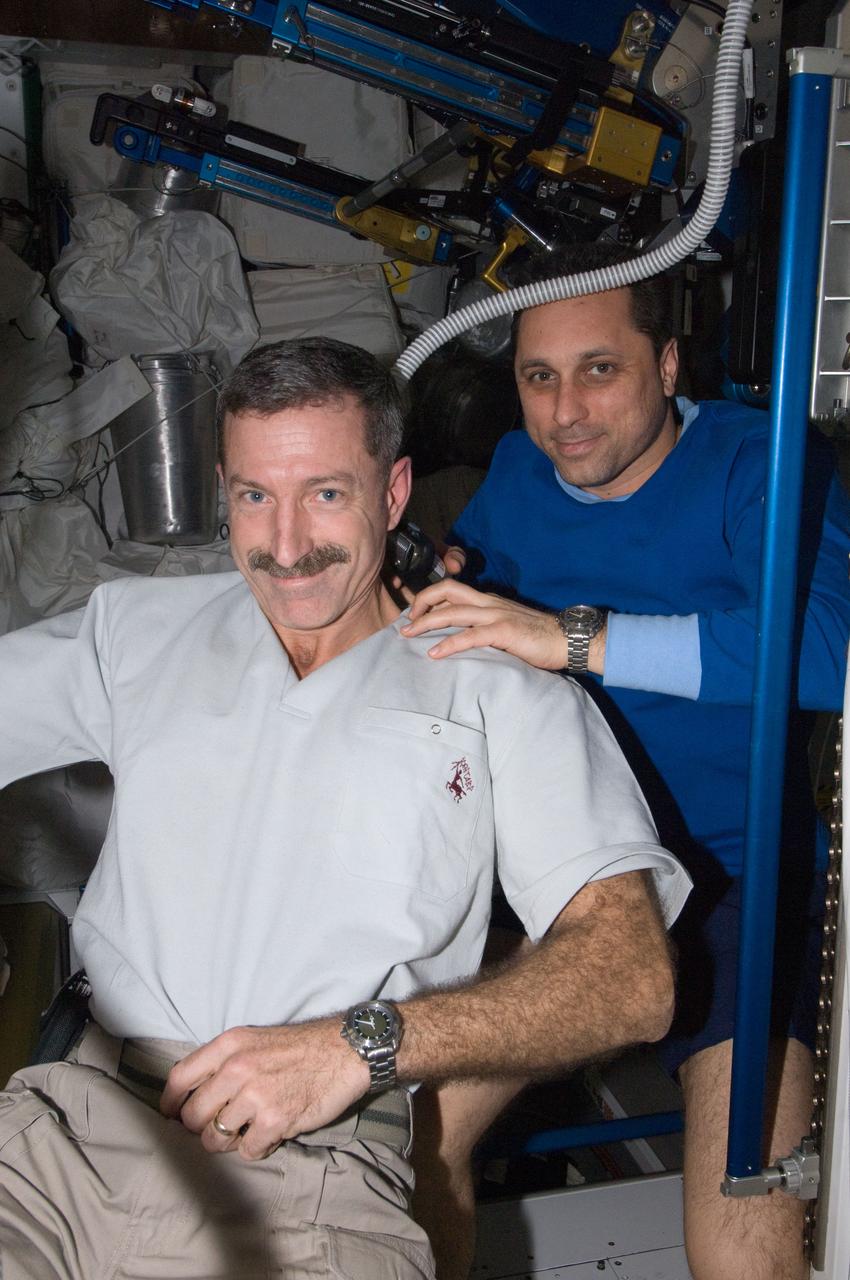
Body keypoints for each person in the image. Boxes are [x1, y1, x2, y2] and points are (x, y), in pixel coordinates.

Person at [0, 337, 690, 1280]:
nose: (286, 548)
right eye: (254, 496)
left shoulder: (501, 695)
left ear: (394, 491)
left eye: (326, 492)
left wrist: (362, 1047)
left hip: (312, 1188)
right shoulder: (138, 632)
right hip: (59, 1146)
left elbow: (632, 976)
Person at [400, 242, 850, 1280]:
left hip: (734, 886)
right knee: (411, 1149)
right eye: (538, 377)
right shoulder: (517, 472)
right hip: (561, 878)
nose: (565, 413)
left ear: (668, 364)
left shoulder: (763, 464)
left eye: (599, 369)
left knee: (741, 1245)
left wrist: (568, 637)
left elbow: (829, 649)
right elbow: (473, 610)